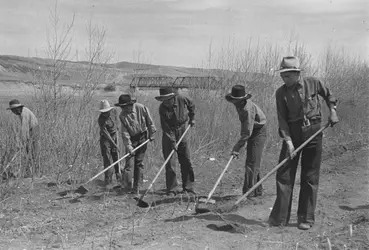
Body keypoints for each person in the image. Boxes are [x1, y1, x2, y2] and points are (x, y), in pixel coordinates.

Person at [268, 56, 339, 230]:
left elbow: (329, 96)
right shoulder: (280, 93)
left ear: (297, 73)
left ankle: (305, 218)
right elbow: (282, 119)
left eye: (288, 75)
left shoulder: (314, 83)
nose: (285, 79)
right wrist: (289, 142)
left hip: (314, 131)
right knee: (284, 175)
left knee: (310, 175)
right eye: (283, 75)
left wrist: (333, 111)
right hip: (292, 133)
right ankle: (280, 218)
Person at [225, 85, 267, 197]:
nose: (234, 102)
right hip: (252, 130)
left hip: (258, 132)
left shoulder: (248, 109)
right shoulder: (239, 105)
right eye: (233, 100)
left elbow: (247, 131)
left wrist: (237, 147)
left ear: (242, 99)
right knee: (253, 161)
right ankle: (257, 191)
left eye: (236, 100)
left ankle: (249, 193)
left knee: (252, 162)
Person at [155, 87, 195, 195]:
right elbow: (166, 127)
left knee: (186, 159)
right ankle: (173, 188)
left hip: (182, 129)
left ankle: (188, 187)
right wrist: (172, 141)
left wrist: (192, 117)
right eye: (163, 100)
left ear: (173, 97)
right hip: (169, 133)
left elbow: (192, 105)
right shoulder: (162, 108)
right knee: (170, 162)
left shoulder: (182, 98)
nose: (166, 102)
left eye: (168, 99)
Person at [115, 94, 156, 194]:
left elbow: (149, 121)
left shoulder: (141, 108)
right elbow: (124, 132)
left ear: (130, 104)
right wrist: (129, 146)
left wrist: (151, 133)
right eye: (122, 107)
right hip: (131, 138)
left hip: (142, 136)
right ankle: (127, 186)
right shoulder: (122, 115)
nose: (124, 109)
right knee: (128, 162)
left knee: (139, 162)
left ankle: (137, 187)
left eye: (125, 106)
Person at [7, 99, 40, 177]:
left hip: (33, 131)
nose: (13, 112)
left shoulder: (24, 113)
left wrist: (22, 142)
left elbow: (24, 129)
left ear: (17, 108)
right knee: (29, 152)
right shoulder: (22, 112)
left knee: (32, 152)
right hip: (32, 130)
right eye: (12, 110)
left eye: (13, 110)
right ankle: (31, 172)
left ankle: (33, 174)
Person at [98, 100, 120, 185]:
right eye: (104, 112)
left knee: (117, 157)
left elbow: (117, 122)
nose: (106, 113)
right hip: (106, 140)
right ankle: (108, 180)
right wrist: (114, 144)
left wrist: (117, 130)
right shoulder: (101, 120)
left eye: (107, 111)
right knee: (107, 160)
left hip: (115, 136)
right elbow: (106, 133)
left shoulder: (113, 112)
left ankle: (119, 178)